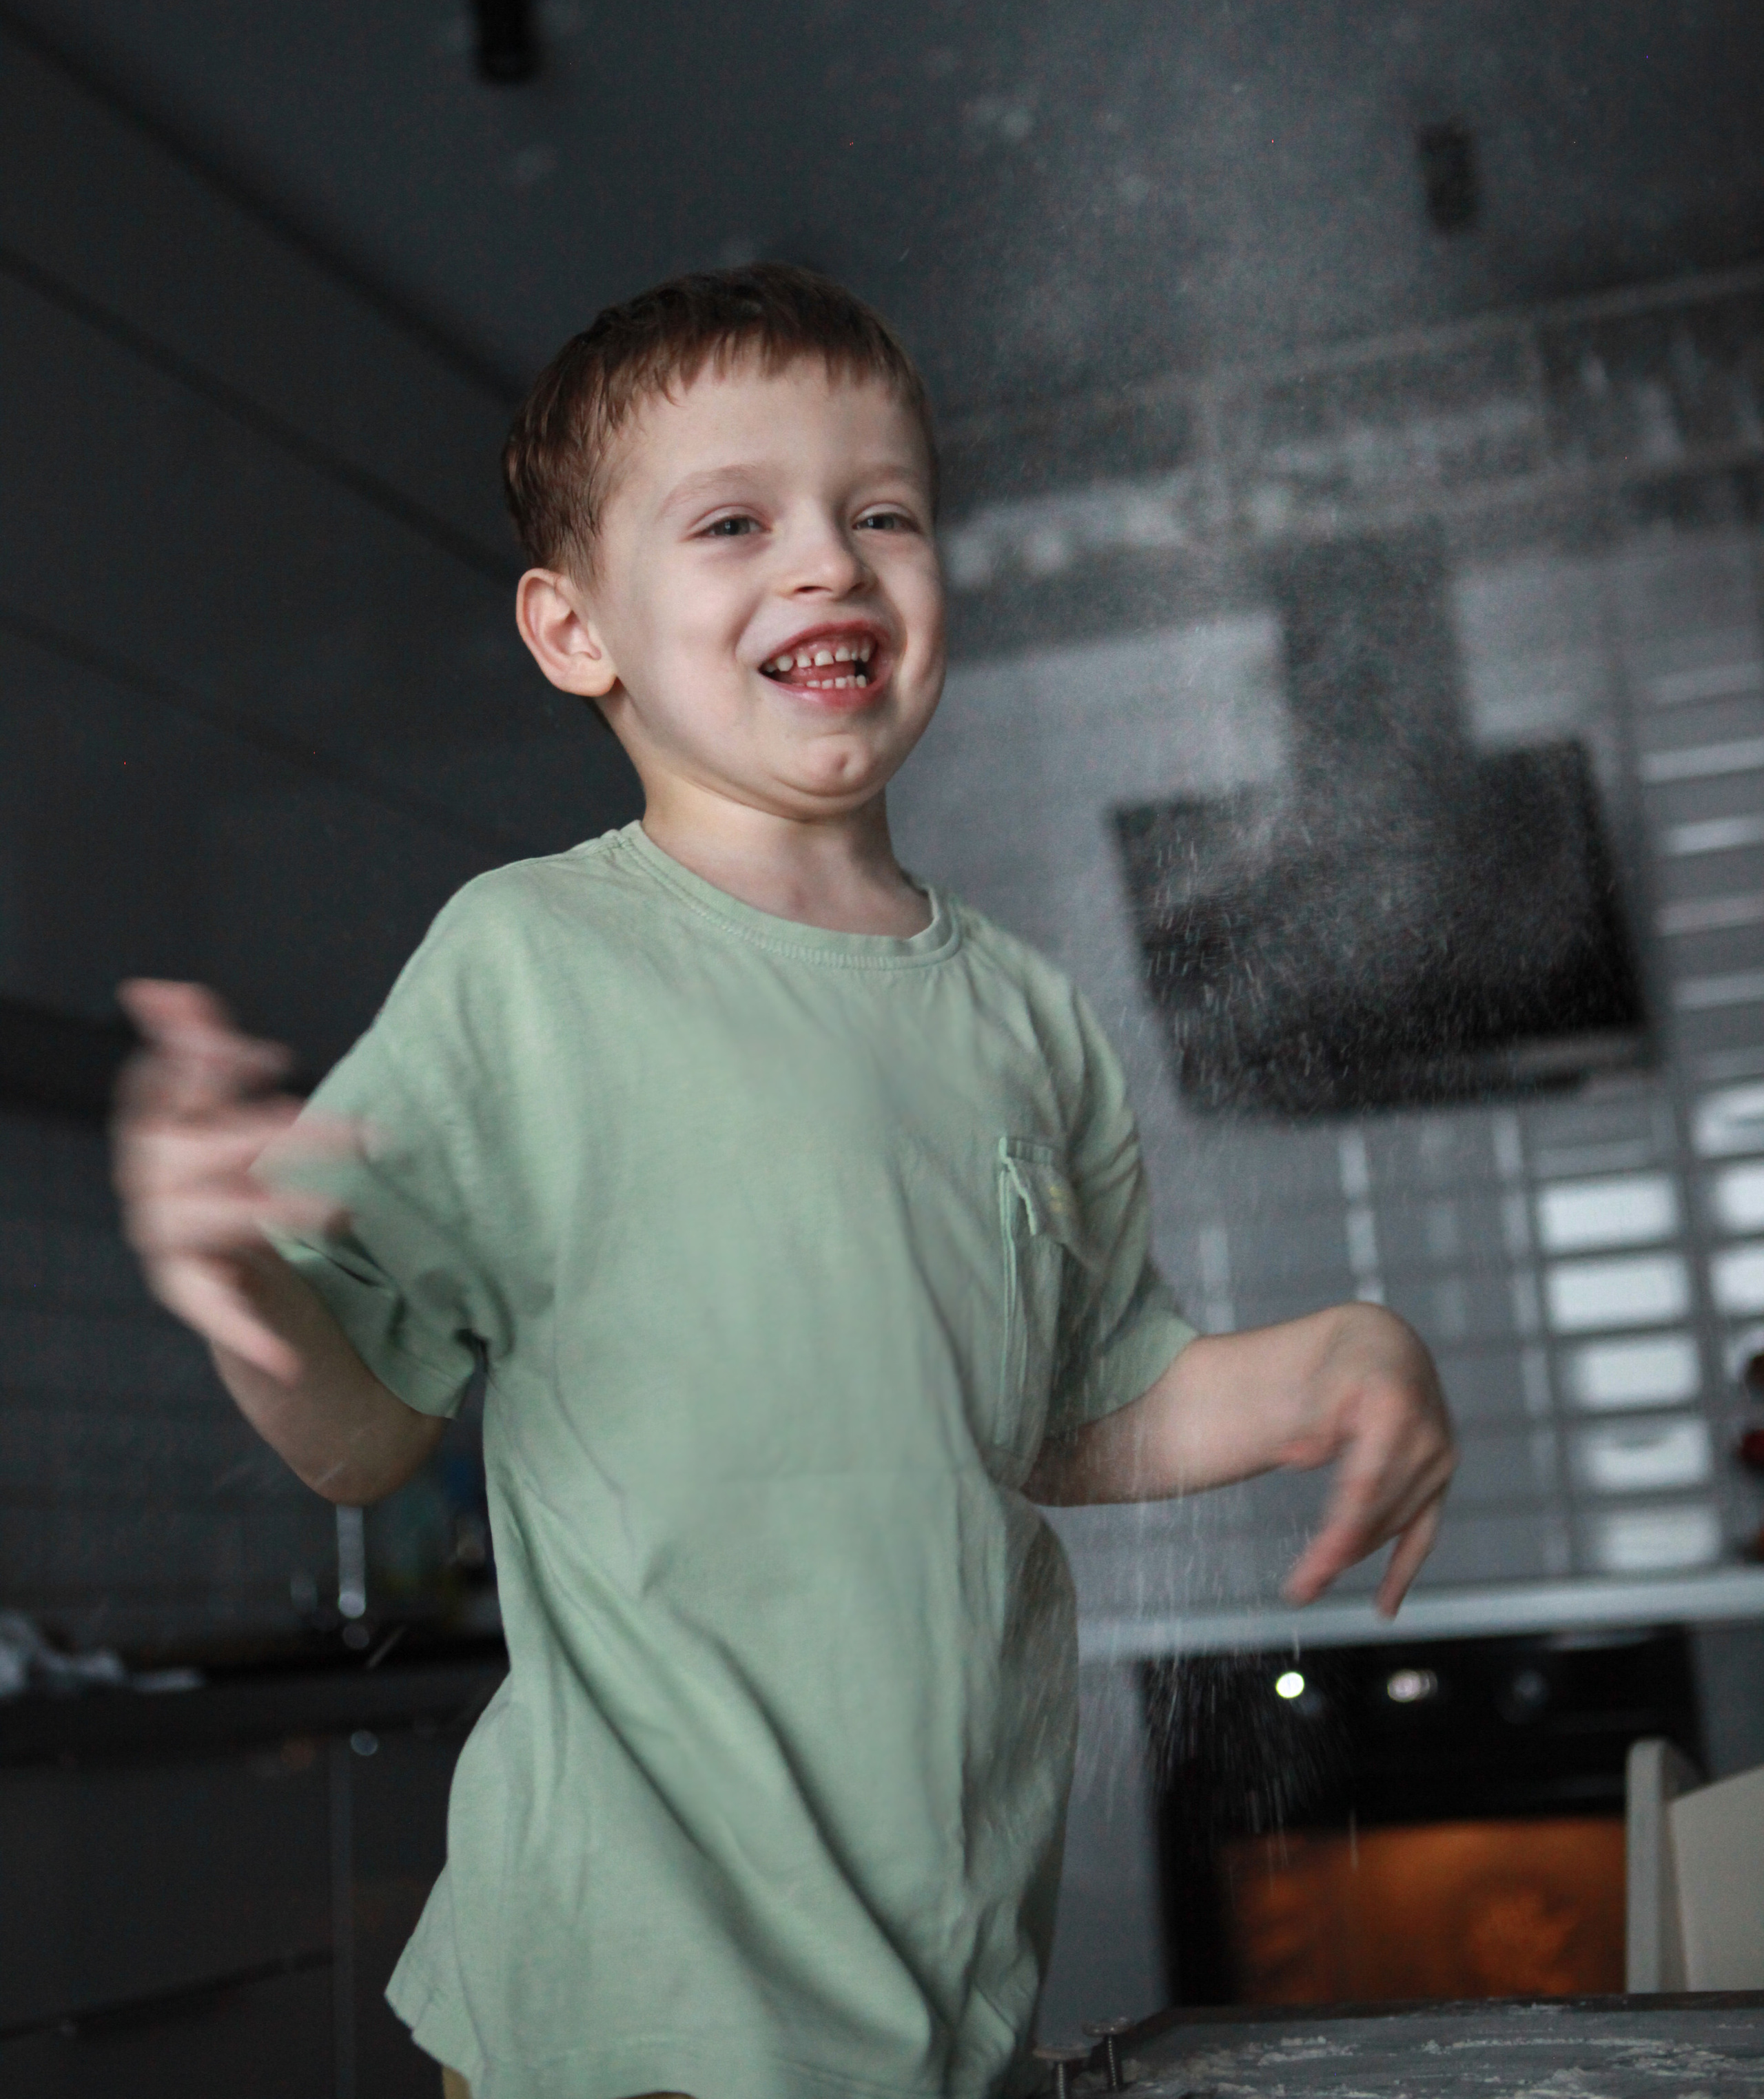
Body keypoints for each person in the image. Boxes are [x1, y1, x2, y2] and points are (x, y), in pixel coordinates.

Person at [113, 266, 1456, 2099]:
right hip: (628, 2011)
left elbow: (1073, 1417)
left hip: (941, 1998)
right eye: (735, 523)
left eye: (881, 513)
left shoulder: (1027, 1017)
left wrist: (1343, 1359)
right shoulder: (530, 965)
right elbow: (361, 1437)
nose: (828, 561)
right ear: (576, 628)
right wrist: (244, 1284)